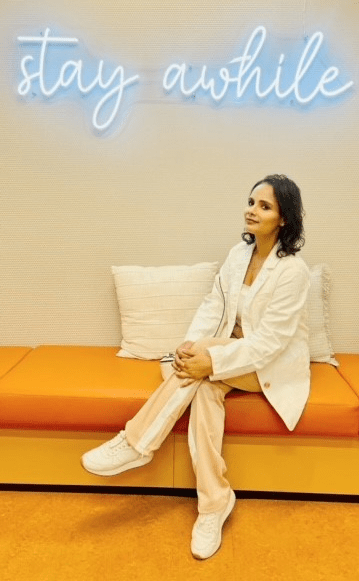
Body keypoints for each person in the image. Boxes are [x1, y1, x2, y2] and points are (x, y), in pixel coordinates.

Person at [81, 174, 311, 560]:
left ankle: (137, 441)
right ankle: (214, 504)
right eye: (251, 202)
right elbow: (212, 305)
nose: (252, 210)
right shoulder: (239, 255)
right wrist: (193, 346)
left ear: (284, 218)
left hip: (270, 365)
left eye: (264, 206)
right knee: (203, 387)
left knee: (202, 365)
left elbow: (270, 343)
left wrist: (210, 358)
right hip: (232, 353)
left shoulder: (293, 271)